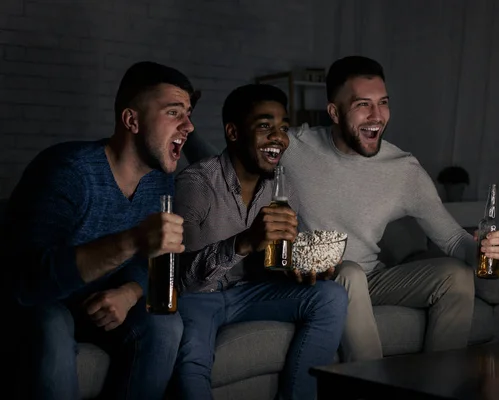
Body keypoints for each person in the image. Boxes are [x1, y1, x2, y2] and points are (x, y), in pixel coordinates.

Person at [278, 56, 499, 361]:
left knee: (456, 275)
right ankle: (375, 386)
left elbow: (454, 241)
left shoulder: (403, 169)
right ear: (334, 112)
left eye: (383, 102)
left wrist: (487, 251)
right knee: (349, 272)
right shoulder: (293, 148)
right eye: (363, 104)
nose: (377, 116)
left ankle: (437, 386)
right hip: (315, 280)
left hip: (370, 279)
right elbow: (231, 163)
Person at [2, 61, 198, 399]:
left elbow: (151, 262)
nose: (189, 126)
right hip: (44, 303)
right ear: (131, 120)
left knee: (166, 323)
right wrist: (133, 240)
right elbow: (28, 281)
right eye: (173, 112)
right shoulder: (67, 171)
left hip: (102, 303)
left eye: (188, 113)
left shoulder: (160, 180)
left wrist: (130, 293)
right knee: (51, 326)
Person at [172, 83, 348, 400]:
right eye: (265, 126)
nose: (279, 137)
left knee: (331, 297)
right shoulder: (196, 183)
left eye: (283, 128)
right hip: (200, 297)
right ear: (234, 132)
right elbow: (183, 280)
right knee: (192, 362)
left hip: (251, 292)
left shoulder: (282, 186)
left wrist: (298, 268)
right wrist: (244, 242)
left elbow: (279, 258)